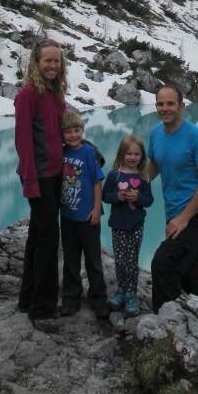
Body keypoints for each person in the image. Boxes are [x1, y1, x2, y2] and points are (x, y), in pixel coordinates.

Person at [147, 83, 198, 314]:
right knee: (192, 272)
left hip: (195, 214)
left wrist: (184, 219)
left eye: (170, 103)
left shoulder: (196, 136)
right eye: (160, 104)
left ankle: (166, 320)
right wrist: (132, 185)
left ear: (182, 106)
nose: (165, 108)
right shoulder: (156, 133)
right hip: (173, 213)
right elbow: (154, 165)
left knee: (162, 263)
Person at [14, 38, 67, 333]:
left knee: (37, 236)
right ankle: (42, 309)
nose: (52, 65)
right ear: (35, 63)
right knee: (48, 240)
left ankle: (27, 299)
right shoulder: (27, 94)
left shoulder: (54, 93)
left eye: (56, 61)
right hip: (38, 176)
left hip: (54, 174)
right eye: (47, 60)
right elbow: (23, 142)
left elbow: (61, 134)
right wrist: (31, 182)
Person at [59, 109, 110, 319]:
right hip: (68, 216)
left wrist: (97, 208)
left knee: (93, 259)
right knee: (70, 259)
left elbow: (97, 181)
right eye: (68, 131)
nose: (73, 135)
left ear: (83, 130)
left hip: (88, 216)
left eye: (77, 130)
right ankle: (71, 299)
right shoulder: (60, 153)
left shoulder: (89, 152)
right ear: (61, 134)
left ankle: (98, 299)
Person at [102, 134, 153, 317]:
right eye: (129, 153)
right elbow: (105, 196)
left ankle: (131, 294)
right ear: (121, 154)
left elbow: (149, 200)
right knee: (120, 260)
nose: (132, 157)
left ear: (142, 156)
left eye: (137, 154)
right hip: (118, 225)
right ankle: (121, 290)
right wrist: (117, 196)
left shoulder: (143, 177)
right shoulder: (114, 175)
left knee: (131, 261)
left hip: (136, 226)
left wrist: (138, 198)